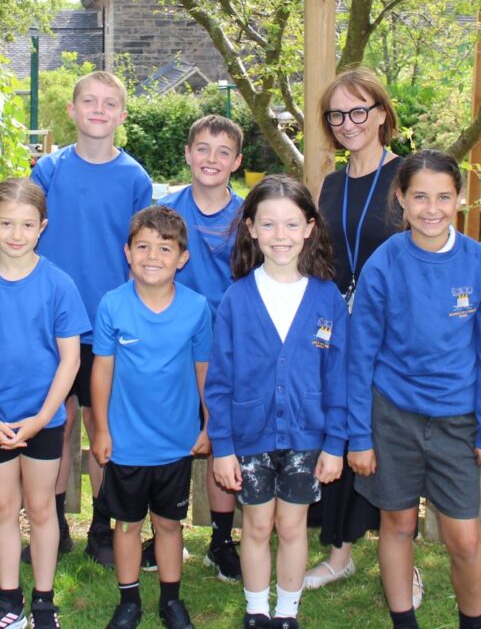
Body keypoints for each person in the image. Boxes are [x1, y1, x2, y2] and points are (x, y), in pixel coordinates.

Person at [347, 150, 481, 629]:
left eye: (443, 196)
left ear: (459, 199)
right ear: (401, 199)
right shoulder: (385, 264)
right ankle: (404, 621)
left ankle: (472, 622)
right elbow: (360, 356)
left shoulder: (480, 266)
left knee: (465, 538)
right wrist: (360, 436)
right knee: (398, 524)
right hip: (392, 414)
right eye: (419, 196)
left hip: (457, 420)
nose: (431, 208)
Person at [206, 175, 348, 629]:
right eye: (269, 225)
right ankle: (257, 610)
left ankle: (286, 612)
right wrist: (223, 446)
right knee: (256, 526)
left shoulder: (326, 298)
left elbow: (339, 377)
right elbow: (220, 380)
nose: (280, 236)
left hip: (309, 436)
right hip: (250, 437)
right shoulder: (236, 299)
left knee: (291, 527)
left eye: (291, 225)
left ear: (309, 228)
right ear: (251, 228)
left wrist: (336, 443)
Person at [0, 179, 89, 629]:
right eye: (6, 223)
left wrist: (44, 417)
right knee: (4, 508)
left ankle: (44, 602)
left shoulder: (59, 284)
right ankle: (9, 601)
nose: (16, 233)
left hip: (42, 421)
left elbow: (70, 359)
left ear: (42, 227)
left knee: (42, 507)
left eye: (26, 224)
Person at [31, 70, 153, 566]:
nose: (99, 111)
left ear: (122, 116)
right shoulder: (49, 171)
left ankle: (103, 526)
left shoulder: (134, 178)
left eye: (109, 104)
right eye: (89, 102)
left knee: (103, 426)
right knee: (59, 425)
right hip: (56, 322)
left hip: (110, 324)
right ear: (73, 111)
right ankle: (54, 523)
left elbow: (146, 254)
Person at [303, 67, 413, 596]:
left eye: (358, 111)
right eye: (336, 115)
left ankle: (403, 558)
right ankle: (339, 553)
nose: (347, 123)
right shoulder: (330, 183)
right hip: (338, 333)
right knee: (342, 434)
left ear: (382, 114)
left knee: (390, 443)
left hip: (392, 336)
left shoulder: (408, 177)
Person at [91, 205, 212, 629]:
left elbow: (204, 370)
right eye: (142, 246)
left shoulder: (197, 309)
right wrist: (103, 428)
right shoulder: (112, 305)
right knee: (127, 526)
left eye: (165, 248)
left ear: (182, 258)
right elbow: (102, 369)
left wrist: (209, 423)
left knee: (168, 523)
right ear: (127, 252)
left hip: (175, 442)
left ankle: (170, 601)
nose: (152, 256)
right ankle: (129, 602)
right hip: (126, 443)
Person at [155, 114, 244, 582]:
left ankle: (220, 539)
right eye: (203, 149)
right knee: (171, 438)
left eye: (223, 152)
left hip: (228, 350)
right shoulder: (166, 214)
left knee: (220, 438)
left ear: (237, 161)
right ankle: (163, 529)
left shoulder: (248, 218)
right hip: (171, 348)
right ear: (188, 154)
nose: (212, 159)